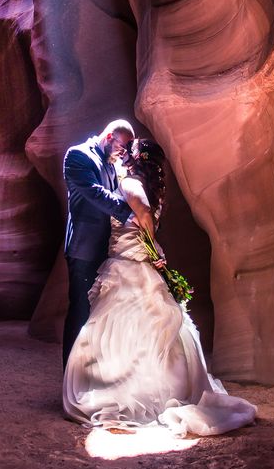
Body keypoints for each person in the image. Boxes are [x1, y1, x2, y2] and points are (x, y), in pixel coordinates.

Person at [63, 137, 257, 436]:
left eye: (130, 152)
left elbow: (141, 215)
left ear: (137, 159)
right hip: (133, 260)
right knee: (147, 327)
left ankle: (128, 389)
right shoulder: (151, 189)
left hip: (128, 262)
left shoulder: (130, 185)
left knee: (122, 328)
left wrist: (152, 250)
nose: (124, 155)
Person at [62, 120, 135, 367]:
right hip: (84, 248)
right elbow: (94, 193)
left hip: (106, 248)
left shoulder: (111, 164)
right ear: (108, 136)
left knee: (100, 316)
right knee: (81, 311)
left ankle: (91, 379)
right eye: (121, 147)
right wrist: (132, 212)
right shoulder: (78, 156)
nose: (122, 153)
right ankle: (70, 379)